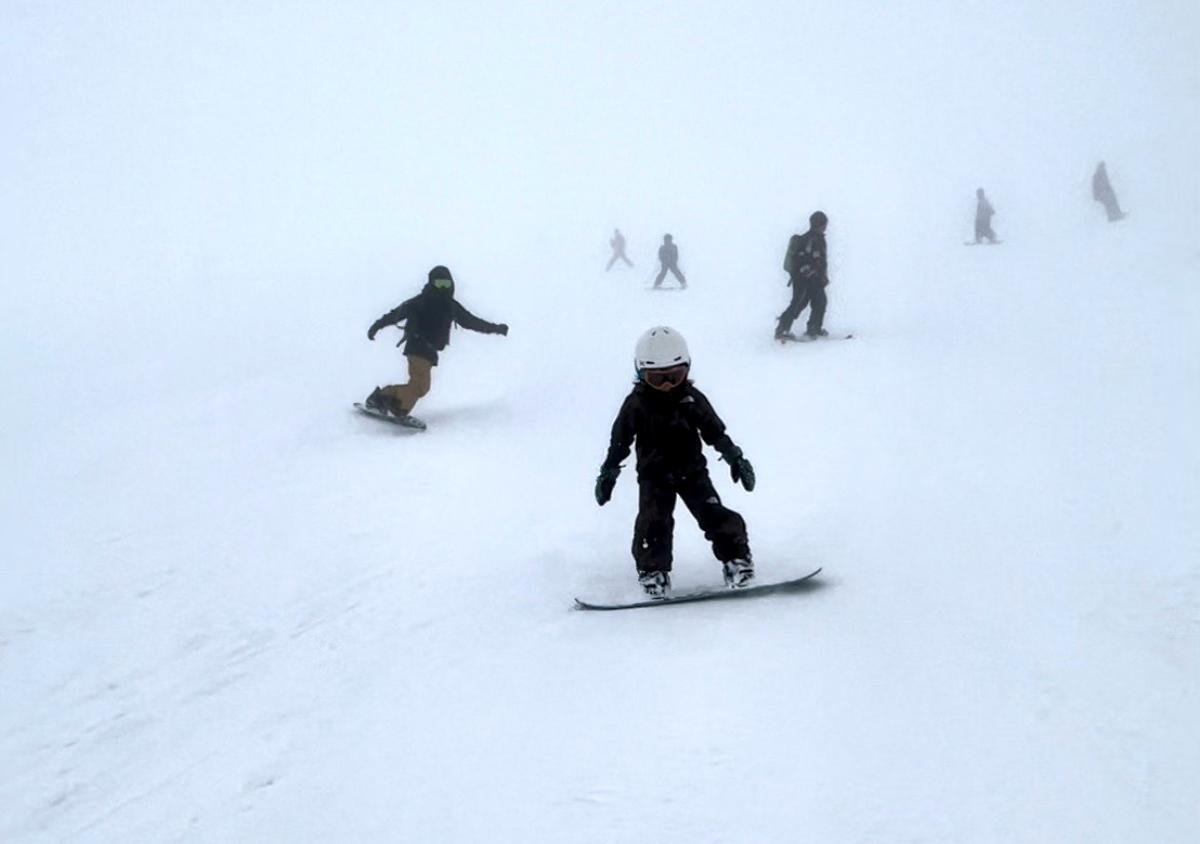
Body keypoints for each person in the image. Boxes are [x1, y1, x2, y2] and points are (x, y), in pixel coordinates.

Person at [594, 326, 755, 599]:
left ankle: (736, 560)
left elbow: (714, 431)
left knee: (715, 516)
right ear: (641, 375)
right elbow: (620, 441)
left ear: (687, 370)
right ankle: (653, 572)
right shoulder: (636, 405)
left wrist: (735, 457)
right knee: (652, 523)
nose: (668, 384)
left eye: (675, 376)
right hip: (654, 477)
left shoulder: (691, 399)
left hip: (692, 473)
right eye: (658, 378)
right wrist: (608, 472)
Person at [363, 265, 508, 419]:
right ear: (431, 283)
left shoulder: (451, 306)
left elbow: (472, 322)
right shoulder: (420, 301)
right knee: (420, 385)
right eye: (439, 284)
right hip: (417, 345)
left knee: (422, 387)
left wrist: (496, 329)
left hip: (430, 351)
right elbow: (395, 315)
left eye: (446, 284)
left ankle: (395, 406)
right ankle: (383, 400)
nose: (442, 288)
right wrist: (376, 326)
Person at [775, 211, 830, 341]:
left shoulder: (819, 239)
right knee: (799, 303)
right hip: (803, 280)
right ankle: (782, 328)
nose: (825, 227)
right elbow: (802, 259)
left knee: (820, 302)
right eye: (824, 224)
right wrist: (808, 272)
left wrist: (822, 275)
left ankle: (814, 328)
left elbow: (820, 260)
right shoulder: (808, 239)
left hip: (815, 279)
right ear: (819, 224)